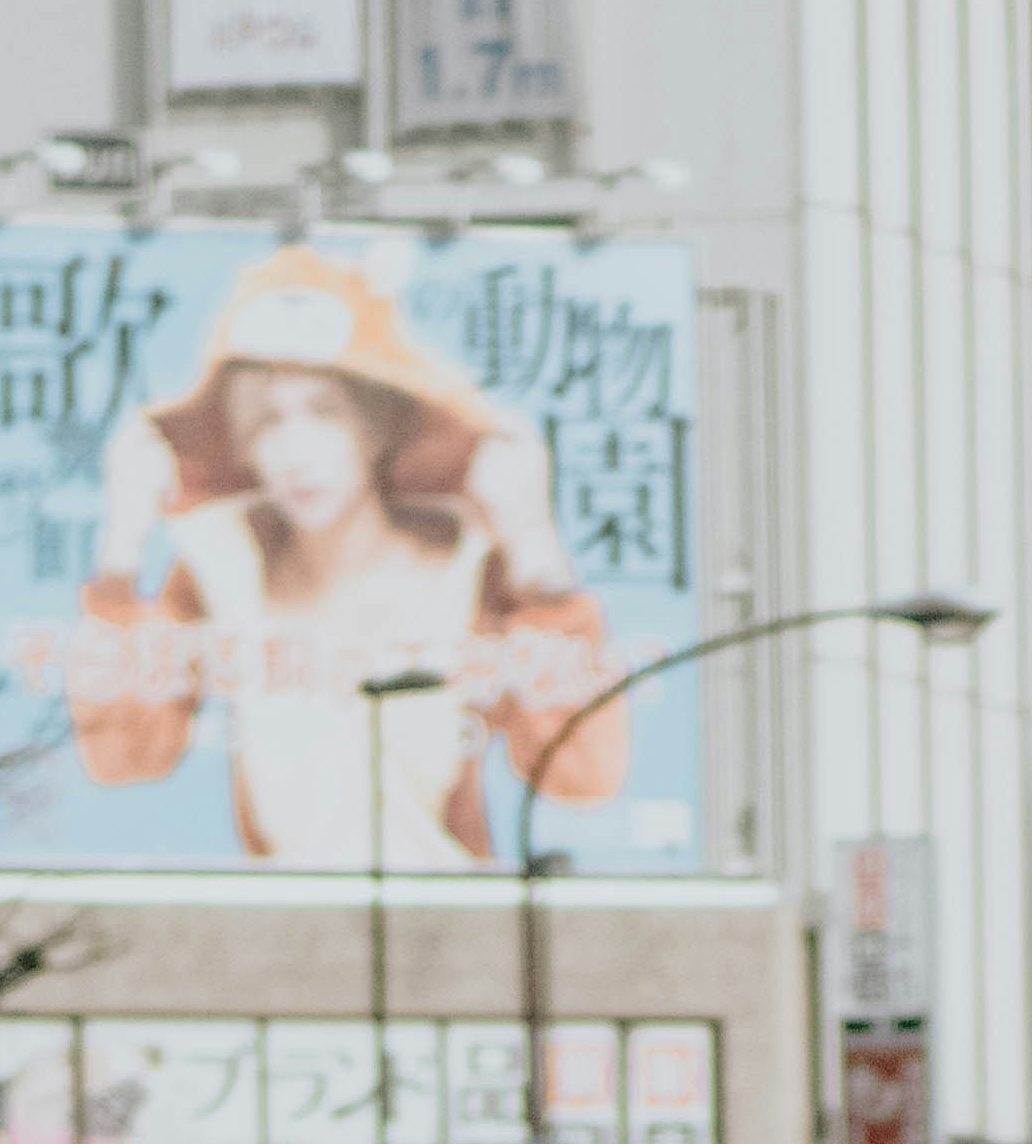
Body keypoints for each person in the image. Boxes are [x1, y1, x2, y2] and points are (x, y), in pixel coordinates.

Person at [62, 253, 621, 864]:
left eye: (324, 413)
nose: (296, 452)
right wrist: (118, 557)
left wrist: (538, 553)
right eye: (267, 421)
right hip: (282, 924)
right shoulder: (216, 570)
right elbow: (124, 758)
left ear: (377, 424)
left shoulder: (470, 568)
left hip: (451, 918)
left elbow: (582, 774)